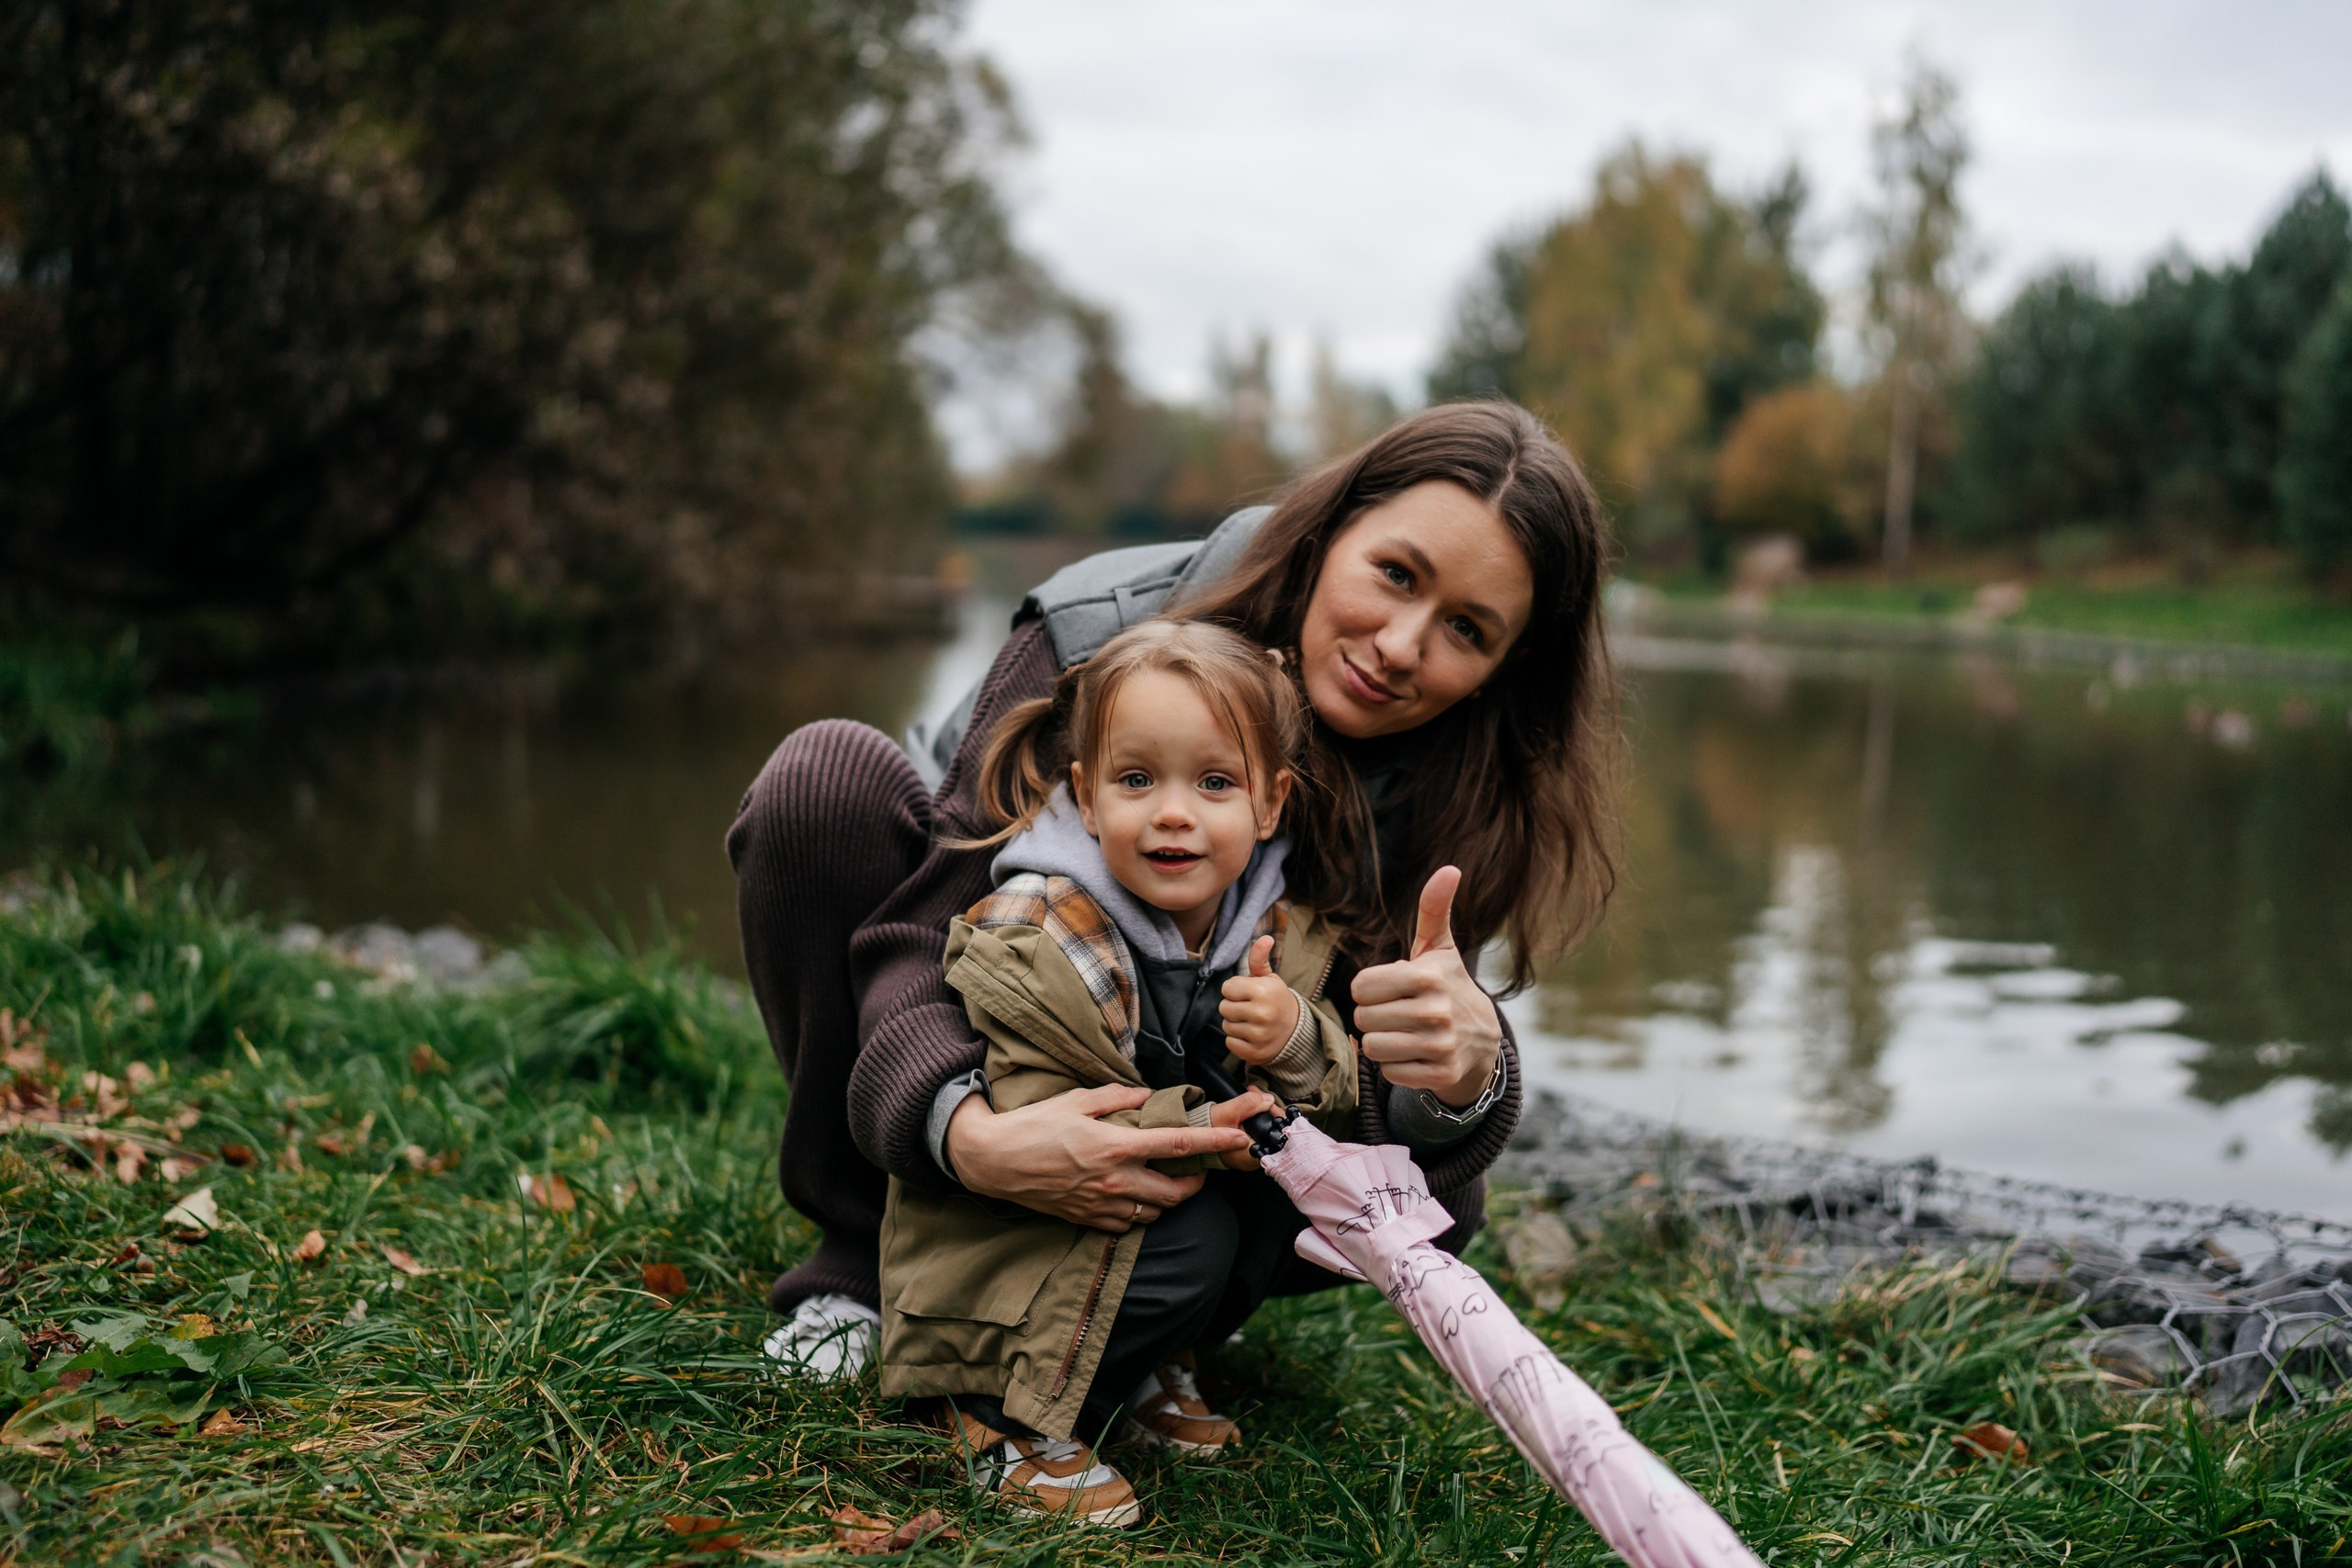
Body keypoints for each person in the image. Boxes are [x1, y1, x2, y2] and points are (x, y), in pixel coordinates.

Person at [727, 398, 1618, 1434]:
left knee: (1441, 1188)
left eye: (1467, 630)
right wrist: (966, 1134)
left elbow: (1376, 1065)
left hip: (1191, 1084)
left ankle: (1156, 1320)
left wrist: (1465, 1078)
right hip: (1004, 1008)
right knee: (821, 783)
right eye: (1396, 574)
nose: (1402, 645)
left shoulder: (1466, 778)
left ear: (1507, 669)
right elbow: (926, 931)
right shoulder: (1097, 626)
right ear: (1332, 527)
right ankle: (859, 1265)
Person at [881, 619, 1359, 1527]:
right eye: (1136, 779)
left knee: (1266, 1205)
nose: (1173, 812)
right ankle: (990, 1410)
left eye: (1214, 782)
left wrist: (1296, 1038)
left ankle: (1132, 1368)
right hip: (1005, 1239)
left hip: (1128, 1199)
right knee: (1190, 1238)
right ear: (1087, 798)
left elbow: (1328, 1080)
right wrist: (1224, 1128)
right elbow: (1061, 1128)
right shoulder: (1039, 932)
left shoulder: (1268, 928)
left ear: (1269, 805)